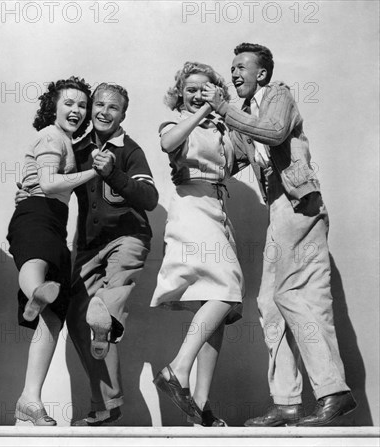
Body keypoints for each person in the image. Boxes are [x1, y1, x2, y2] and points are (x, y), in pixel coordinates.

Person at [202, 42, 357, 427]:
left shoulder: (279, 97)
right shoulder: (243, 116)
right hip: (278, 209)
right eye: (232, 67)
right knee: (270, 302)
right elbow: (229, 163)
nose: (235, 73)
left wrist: (224, 108)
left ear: (263, 74)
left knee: (295, 295)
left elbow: (272, 133)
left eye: (242, 67)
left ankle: (333, 391)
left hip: (299, 204)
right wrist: (194, 129)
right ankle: (287, 401)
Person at [150, 62, 244, 427]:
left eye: (205, 89)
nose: (196, 94)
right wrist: (206, 108)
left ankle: (200, 406)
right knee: (228, 289)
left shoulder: (220, 129)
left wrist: (226, 114)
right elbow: (167, 144)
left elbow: (240, 160)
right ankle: (177, 368)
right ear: (180, 93)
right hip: (191, 208)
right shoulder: (176, 124)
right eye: (190, 89)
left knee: (215, 306)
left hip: (218, 210)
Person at [65, 83, 158, 426]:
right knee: (79, 320)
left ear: (123, 115)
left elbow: (149, 198)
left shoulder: (130, 150)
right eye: (99, 105)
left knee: (108, 299)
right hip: (88, 246)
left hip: (127, 237)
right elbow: (55, 184)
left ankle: (105, 312)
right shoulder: (76, 147)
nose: (104, 112)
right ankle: (107, 403)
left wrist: (114, 174)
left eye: (113, 108)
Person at [7, 77, 98, 426]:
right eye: (68, 103)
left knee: (54, 318)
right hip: (37, 213)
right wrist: (92, 172)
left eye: (81, 105)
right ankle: (34, 293)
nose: (76, 110)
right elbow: (47, 183)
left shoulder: (67, 141)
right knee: (37, 261)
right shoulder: (50, 135)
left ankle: (30, 399)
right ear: (53, 107)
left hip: (53, 220)